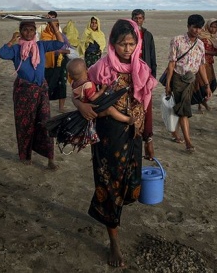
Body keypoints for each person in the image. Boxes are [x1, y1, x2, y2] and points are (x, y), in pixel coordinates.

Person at [74, 19, 157, 267]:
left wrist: (149, 137)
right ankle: (114, 242)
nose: (128, 49)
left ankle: (111, 216)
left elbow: (147, 104)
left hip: (134, 137)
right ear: (112, 44)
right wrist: (81, 105)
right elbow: (78, 89)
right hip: (108, 137)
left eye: (132, 44)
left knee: (131, 185)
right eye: (122, 44)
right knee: (110, 186)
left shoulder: (141, 68)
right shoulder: (100, 68)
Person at [0, 19, 64, 170]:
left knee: (46, 122)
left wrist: (53, 26)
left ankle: (50, 159)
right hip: (24, 91)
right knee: (25, 124)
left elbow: (60, 43)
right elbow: (1, 53)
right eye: (25, 30)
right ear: (20, 32)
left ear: (35, 32)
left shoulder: (40, 46)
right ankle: (25, 155)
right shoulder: (15, 49)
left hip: (41, 90)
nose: (28, 33)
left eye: (31, 30)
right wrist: (12, 40)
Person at [164, 14, 212, 153]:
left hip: (192, 80)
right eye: (194, 27)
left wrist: (207, 85)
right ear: (188, 26)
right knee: (184, 110)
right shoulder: (177, 40)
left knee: (180, 108)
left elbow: (202, 66)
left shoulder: (201, 44)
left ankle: (174, 132)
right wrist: (168, 84)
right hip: (178, 79)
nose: (196, 30)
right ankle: (188, 142)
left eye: (199, 28)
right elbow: (172, 63)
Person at [67, 57, 134, 124]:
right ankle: (127, 119)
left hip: (88, 108)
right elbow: (93, 98)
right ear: (87, 70)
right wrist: (102, 90)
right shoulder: (88, 84)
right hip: (93, 108)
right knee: (110, 110)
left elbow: (74, 95)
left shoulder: (73, 83)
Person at [131, 8, 157, 160]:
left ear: (143, 19)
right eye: (136, 17)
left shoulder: (147, 35)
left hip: (145, 76)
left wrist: (152, 77)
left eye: (140, 18)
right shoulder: (128, 35)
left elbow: (152, 57)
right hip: (130, 76)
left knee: (146, 109)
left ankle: (148, 141)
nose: (138, 20)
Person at [40, 14, 69, 113]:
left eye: (56, 25)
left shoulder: (62, 37)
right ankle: (44, 105)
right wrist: (59, 51)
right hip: (49, 64)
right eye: (53, 25)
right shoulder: (45, 36)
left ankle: (61, 107)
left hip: (61, 63)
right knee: (48, 84)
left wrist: (64, 51)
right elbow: (46, 50)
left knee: (62, 84)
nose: (54, 27)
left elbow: (69, 48)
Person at [196, 18, 217, 113]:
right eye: (212, 26)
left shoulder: (216, 39)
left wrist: (206, 51)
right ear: (207, 26)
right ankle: (201, 104)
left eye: (215, 27)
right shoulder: (201, 36)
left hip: (209, 64)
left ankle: (203, 101)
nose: (213, 29)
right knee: (201, 84)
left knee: (212, 84)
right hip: (200, 64)